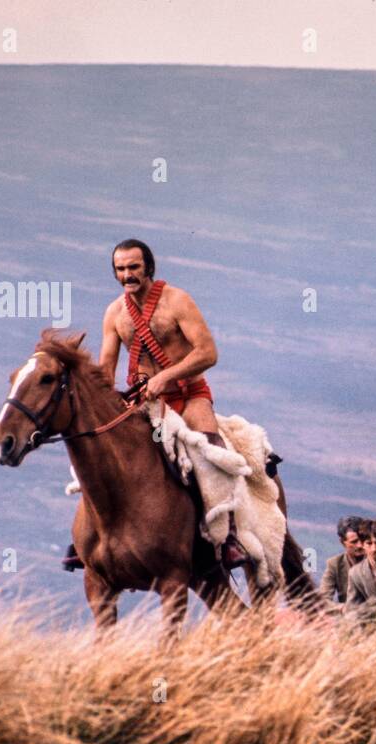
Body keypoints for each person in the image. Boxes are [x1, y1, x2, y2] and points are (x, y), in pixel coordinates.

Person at [63, 239, 256, 571]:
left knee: (211, 454)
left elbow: (207, 353)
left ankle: (228, 538)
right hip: (144, 402)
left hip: (189, 395)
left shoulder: (177, 301)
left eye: (133, 267)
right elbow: (107, 370)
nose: (128, 275)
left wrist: (167, 377)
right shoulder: (114, 313)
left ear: (148, 267)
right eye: (121, 269)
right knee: (102, 454)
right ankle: (89, 538)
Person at [318, 515, 366, 604]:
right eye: (354, 542)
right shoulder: (334, 564)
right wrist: (343, 609)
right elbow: (323, 600)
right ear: (342, 542)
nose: (360, 545)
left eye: (362, 540)